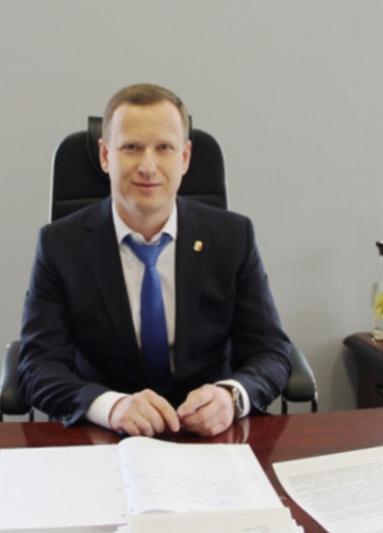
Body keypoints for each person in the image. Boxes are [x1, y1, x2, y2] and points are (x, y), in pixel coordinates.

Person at [18, 83, 294, 437]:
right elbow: (38, 366)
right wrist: (111, 406)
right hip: (105, 436)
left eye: (164, 148)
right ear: (105, 156)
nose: (147, 166)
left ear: (185, 158)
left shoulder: (233, 238)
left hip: (207, 435)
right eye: (131, 147)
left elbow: (271, 352)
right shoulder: (60, 245)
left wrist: (231, 397)